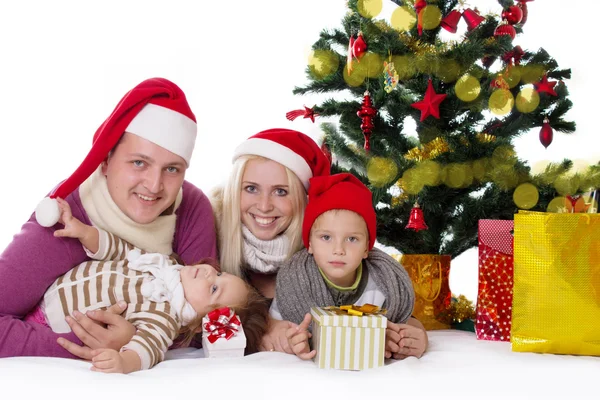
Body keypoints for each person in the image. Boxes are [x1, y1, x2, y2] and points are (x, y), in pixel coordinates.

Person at [0, 77, 218, 359]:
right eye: (139, 162)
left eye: (172, 169)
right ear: (105, 161)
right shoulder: (67, 218)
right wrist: (86, 345)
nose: (154, 185)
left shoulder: (192, 206)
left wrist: (134, 340)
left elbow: (209, 320)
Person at [16, 198, 268, 374]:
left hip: (50, 321)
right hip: (43, 292)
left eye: (214, 288)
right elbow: (122, 251)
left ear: (204, 319)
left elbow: (149, 346)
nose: (209, 272)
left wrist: (124, 362)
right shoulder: (166, 265)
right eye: (220, 273)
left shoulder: (165, 315)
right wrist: (85, 233)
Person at [271, 173, 428, 360]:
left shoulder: (383, 285)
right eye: (326, 237)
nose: (338, 250)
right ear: (310, 244)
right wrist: (289, 339)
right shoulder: (294, 282)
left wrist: (416, 337)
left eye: (352, 239)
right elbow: (274, 325)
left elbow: (404, 321)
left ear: (366, 248)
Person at [211, 128, 331, 300]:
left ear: (302, 199)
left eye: (280, 192)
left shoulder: (327, 247)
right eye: (251, 188)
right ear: (234, 190)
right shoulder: (208, 234)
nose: (264, 206)